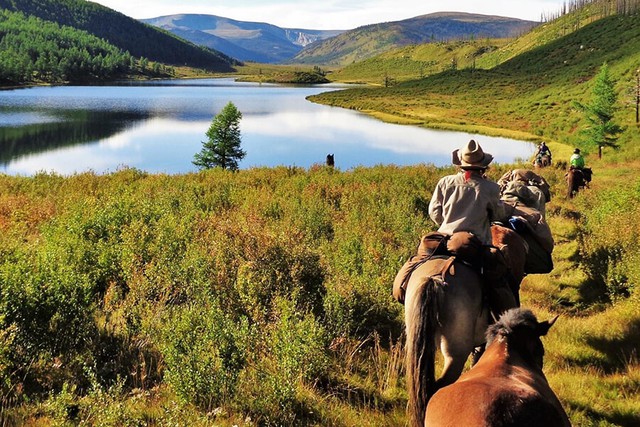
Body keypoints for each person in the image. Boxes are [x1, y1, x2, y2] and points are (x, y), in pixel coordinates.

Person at [429, 139, 518, 316]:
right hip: (476, 246)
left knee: (419, 260)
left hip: (444, 240)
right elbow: (498, 215)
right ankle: (508, 322)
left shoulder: (445, 182)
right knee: (500, 280)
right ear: (483, 166)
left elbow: (434, 211)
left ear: (460, 164)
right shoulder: (491, 188)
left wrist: (447, 222)